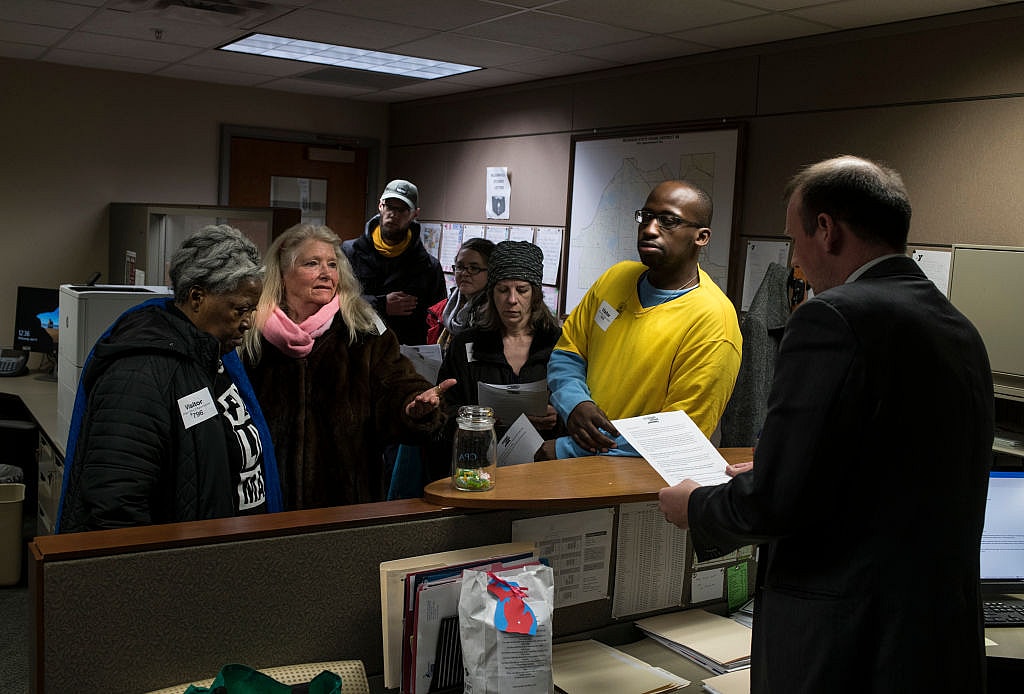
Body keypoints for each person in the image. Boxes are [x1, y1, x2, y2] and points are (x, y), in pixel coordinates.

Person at [658, 156, 994, 692]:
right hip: (937, 642)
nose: (795, 261)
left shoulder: (832, 318)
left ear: (826, 229)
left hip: (847, 649)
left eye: (794, 240)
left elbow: (780, 500)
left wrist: (696, 504)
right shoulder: (957, 327)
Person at [58, 225, 282, 532]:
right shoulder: (139, 374)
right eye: (239, 309)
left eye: (252, 310)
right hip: (178, 568)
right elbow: (116, 507)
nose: (247, 323)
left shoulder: (214, 358)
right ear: (197, 297)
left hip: (224, 557)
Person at [243, 223, 453, 509]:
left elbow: (397, 384)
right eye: (312, 263)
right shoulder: (249, 332)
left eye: (332, 264)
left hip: (346, 502)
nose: (326, 273)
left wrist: (412, 406)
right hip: (265, 499)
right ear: (282, 271)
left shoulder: (363, 330)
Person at [542, 180, 742, 460]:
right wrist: (575, 403)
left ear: (701, 237)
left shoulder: (713, 321)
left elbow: (678, 434)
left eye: (668, 221)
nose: (649, 229)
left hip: (640, 487)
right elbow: (568, 353)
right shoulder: (615, 278)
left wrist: (567, 451)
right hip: (575, 466)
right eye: (646, 217)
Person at [431, 241, 562, 475]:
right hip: (478, 469)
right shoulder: (466, 344)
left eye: (521, 290)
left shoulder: (558, 344)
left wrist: (558, 417)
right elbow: (445, 411)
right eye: (503, 290)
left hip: (542, 470)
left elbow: (579, 406)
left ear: (535, 295)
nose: (512, 300)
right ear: (492, 294)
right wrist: (480, 418)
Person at [343, 179, 446, 345]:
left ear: (415, 214)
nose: (394, 214)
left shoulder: (428, 266)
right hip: (357, 348)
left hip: (403, 357)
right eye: (390, 207)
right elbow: (335, 301)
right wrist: (381, 305)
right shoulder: (350, 252)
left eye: (402, 210)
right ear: (380, 206)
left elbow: (436, 318)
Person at [426, 237, 496, 351]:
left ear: (491, 271)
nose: (464, 273)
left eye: (474, 268)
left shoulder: (496, 315)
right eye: (460, 267)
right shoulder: (442, 309)